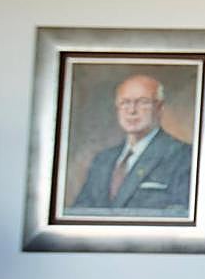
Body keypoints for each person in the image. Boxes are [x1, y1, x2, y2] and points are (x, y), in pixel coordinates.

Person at [71, 74, 192, 212]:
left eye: (142, 102)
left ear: (160, 108)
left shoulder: (184, 157)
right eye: (125, 102)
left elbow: (180, 216)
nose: (132, 110)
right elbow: (79, 213)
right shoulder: (103, 160)